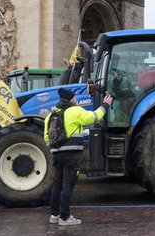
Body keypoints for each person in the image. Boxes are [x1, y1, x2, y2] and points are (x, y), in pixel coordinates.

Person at [44, 87, 112, 226]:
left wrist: (55, 149)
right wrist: (105, 105)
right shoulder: (75, 111)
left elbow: (46, 137)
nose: (76, 99)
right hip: (72, 154)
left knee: (57, 185)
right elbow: (94, 117)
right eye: (74, 97)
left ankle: (54, 215)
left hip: (56, 155)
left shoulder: (51, 115)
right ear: (71, 99)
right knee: (68, 185)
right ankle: (65, 217)